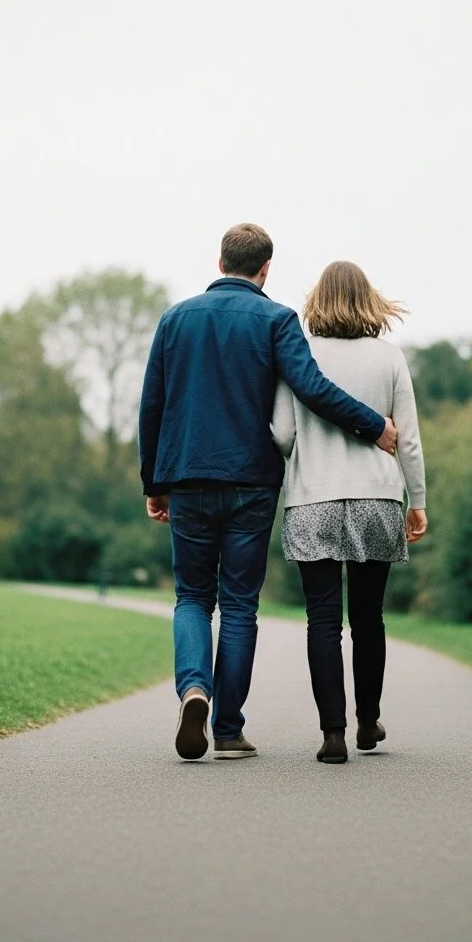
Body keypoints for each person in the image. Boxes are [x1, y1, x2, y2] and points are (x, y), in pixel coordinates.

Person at [139, 225, 399, 762]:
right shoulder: (277, 320)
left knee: (191, 596)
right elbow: (313, 389)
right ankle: (229, 730)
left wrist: (154, 482)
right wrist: (374, 425)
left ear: (219, 261)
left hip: (185, 476)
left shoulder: (175, 320)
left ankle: (194, 689)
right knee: (238, 605)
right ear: (266, 269)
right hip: (251, 484)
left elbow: (153, 405)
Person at [271, 260, 427, 764]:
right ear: (368, 300)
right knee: (368, 617)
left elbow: (283, 434)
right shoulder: (389, 358)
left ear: (318, 299)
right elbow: (409, 440)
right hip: (377, 499)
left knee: (322, 621)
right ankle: (367, 721)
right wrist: (418, 501)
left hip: (312, 498)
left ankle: (332, 734)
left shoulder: (298, 354)